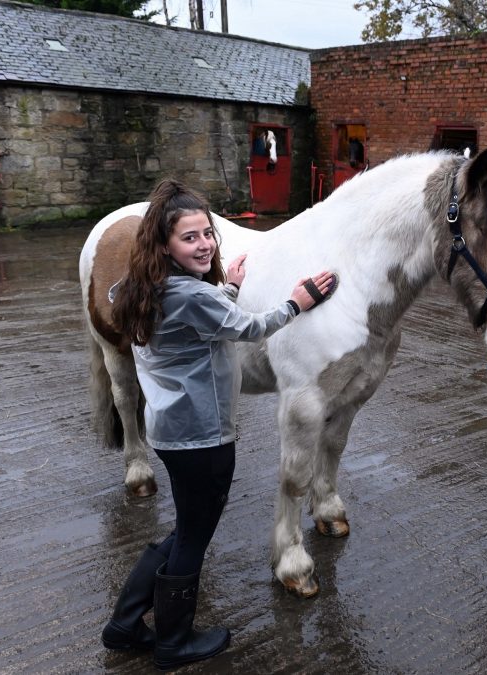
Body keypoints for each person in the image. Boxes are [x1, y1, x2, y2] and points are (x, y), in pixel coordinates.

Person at [101, 179, 335, 669]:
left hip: (167, 429)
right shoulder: (191, 296)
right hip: (202, 435)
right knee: (193, 537)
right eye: (190, 237)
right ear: (164, 243)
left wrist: (227, 283)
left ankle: (124, 625)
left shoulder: (139, 285)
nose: (205, 243)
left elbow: (199, 312)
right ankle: (173, 642)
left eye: (207, 233)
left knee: (185, 528)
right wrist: (298, 301)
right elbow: (248, 327)